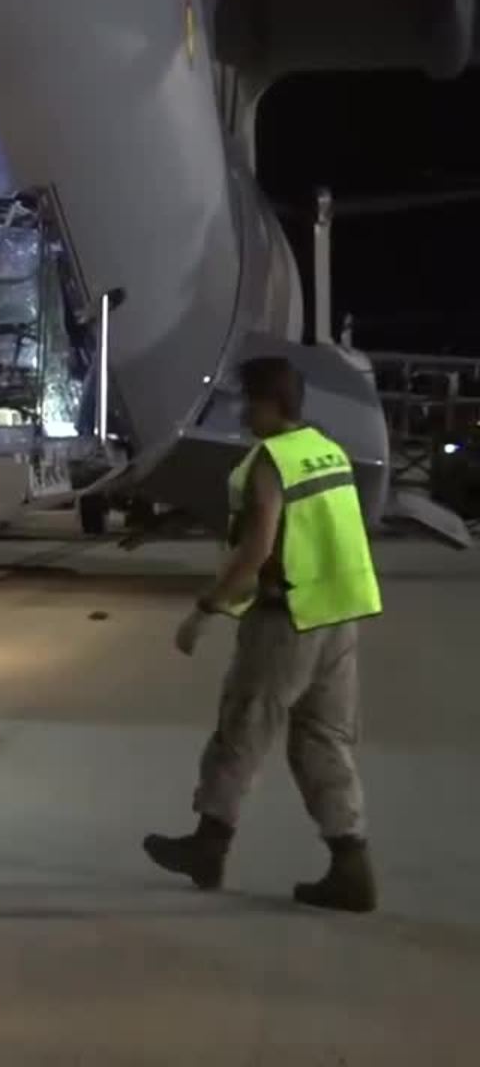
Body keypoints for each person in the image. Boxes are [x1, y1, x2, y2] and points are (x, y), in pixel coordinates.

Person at [144, 356, 384, 912]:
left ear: (271, 403)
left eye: (247, 403)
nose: (241, 414)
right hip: (338, 616)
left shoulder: (272, 462)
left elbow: (256, 549)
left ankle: (208, 846)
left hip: (287, 618)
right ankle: (351, 864)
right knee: (323, 740)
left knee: (242, 729)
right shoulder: (327, 450)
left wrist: (205, 610)